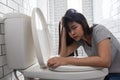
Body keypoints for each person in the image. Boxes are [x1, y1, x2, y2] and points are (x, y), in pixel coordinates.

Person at [47, 9, 120, 80]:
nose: (72, 33)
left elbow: (105, 61)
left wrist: (65, 60)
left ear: (83, 24)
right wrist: (63, 28)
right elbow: (63, 54)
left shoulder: (99, 30)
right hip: (106, 73)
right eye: (69, 31)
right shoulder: (81, 40)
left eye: (74, 27)